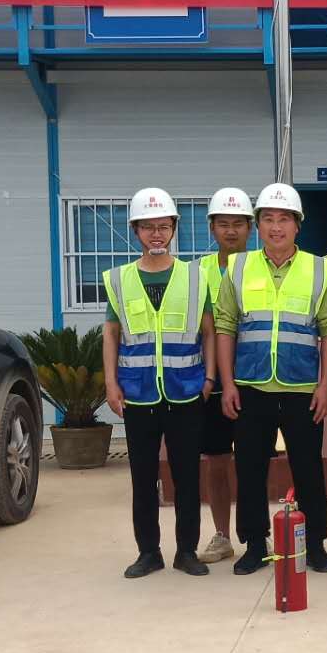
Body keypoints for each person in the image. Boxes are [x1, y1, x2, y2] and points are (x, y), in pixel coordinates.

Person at [216, 182, 327, 575]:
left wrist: (325, 386)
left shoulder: (320, 269)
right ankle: (254, 544)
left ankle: (315, 543)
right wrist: (228, 384)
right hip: (251, 388)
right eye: (268, 219)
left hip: (303, 389)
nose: (275, 227)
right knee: (250, 469)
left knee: (309, 469)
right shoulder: (238, 267)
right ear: (258, 226)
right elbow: (225, 326)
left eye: (284, 219)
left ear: (297, 225)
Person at [101, 187, 214, 580]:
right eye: (147, 227)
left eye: (163, 226)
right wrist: (111, 384)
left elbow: (209, 331)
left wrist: (209, 378)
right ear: (135, 230)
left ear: (173, 229)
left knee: (187, 478)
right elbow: (111, 333)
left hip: (186, 390)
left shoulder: (195, 277)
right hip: (138, 393)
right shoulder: (120, 279)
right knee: (143, 478)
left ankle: (187, 551)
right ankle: (148, 552)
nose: (156, 234)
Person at [197, 186, 254, 564]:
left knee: (253, 462)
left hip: (252, 379)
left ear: (250, 228)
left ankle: (256, 534)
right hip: (211, 382)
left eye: (238, 224)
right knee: (217, 461)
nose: (230, 231)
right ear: (212, 228)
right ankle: (221, 535)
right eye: (223, 224)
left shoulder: (261, 267)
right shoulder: (196, 271)